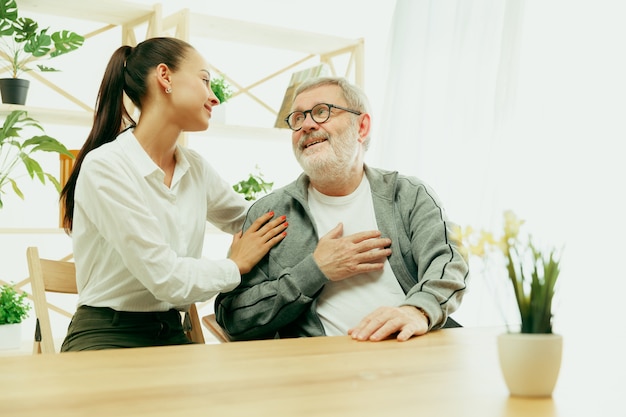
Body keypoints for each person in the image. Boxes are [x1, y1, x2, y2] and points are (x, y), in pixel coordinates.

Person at [58, 37, 287, 351]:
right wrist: (235, 265)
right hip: (105, 336)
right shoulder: (106, 167)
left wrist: (319, 190)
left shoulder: (195, 168)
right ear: (165, 77)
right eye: (205, 81)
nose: (214, 98)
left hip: (172, 334)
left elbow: (252, 218)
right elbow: (165, 278)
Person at [215, 76, 468, 342]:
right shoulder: (270, 214)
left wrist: (418, 310)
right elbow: (234, 317)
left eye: (322, 112)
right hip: (321, 371)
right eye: (298, 118)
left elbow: (450, 264)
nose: (307, 125)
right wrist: (314, 271)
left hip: (412, 357)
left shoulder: (409, 195)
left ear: (362, 127)